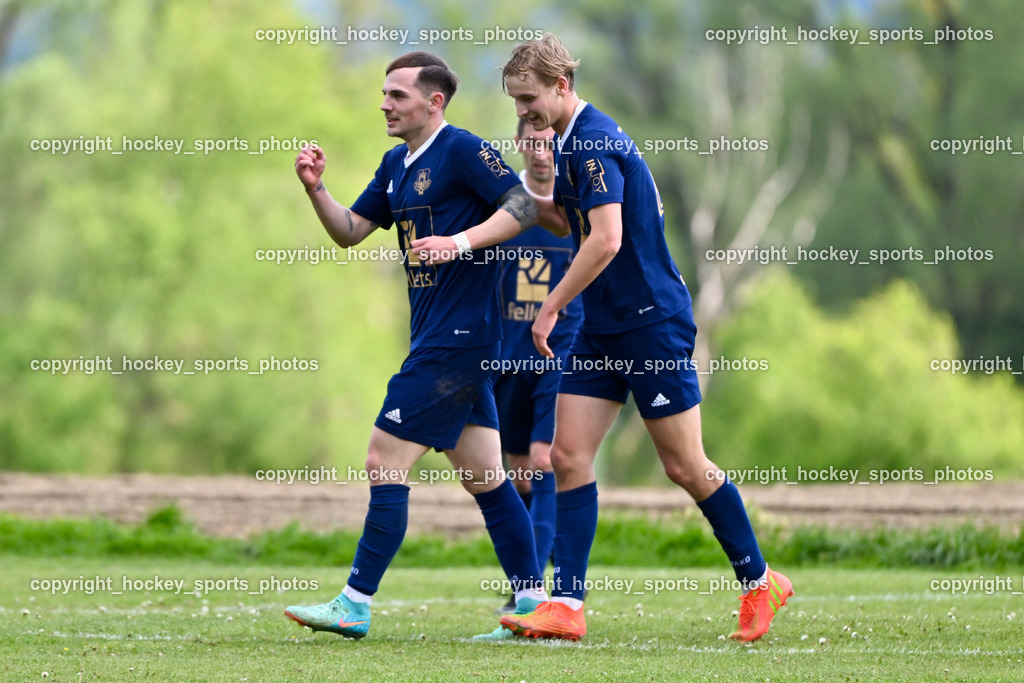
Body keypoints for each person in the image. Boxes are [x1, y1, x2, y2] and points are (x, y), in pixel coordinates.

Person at [493, 34, 793, 642]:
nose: (522, 113)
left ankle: (761, 582)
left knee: (685, 466)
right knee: (567, 457)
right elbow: (564, 219)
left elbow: (604, 239)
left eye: (529, 100)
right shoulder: (568, 143)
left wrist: (551, 305)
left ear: (561, 86)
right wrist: (505, 189)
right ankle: (568, 607)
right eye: (515, 104)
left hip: (650, 323)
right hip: (605, 328)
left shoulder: (595, 142)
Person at [284, 51, 549, 640]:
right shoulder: (395, 163)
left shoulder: (463, 149)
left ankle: (354, 602)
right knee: (487, 478)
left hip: (461, 338)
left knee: (384, 459)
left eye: (398, 95)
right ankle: (534, 606)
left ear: (435, 102)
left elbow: (527, 205)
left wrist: (459, 242)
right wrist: (316, 190)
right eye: (383, 94)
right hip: (440, 337)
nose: (384, 104)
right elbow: (351, 232)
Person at [489, 119, 583, 617]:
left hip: (559, 357)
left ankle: (533, 593)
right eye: (533, 143)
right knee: (517, 476)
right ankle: (529, 583)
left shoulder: (579, 208)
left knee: (545, 465)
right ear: (521, 145)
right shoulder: (504, 207)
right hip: (505, 363)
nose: (542, 153)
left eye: (550, 143)